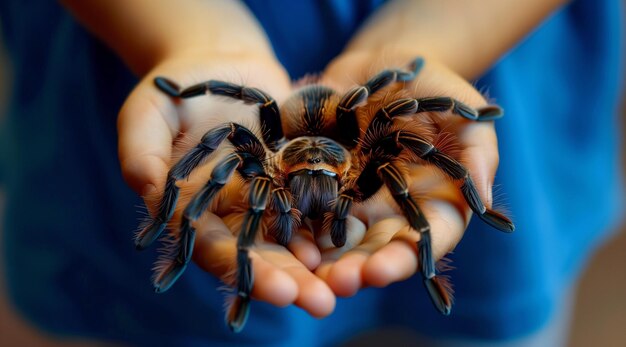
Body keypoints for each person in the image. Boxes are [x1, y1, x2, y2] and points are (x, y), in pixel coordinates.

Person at [0, 0, 622, 346]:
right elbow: (219, 142)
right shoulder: (263, 160)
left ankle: (447, 265)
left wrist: (431, 45)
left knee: (406, 139)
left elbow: (400, 107)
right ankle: (190, 256)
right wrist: (185, 37)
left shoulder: (365, 159)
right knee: (217, 159)